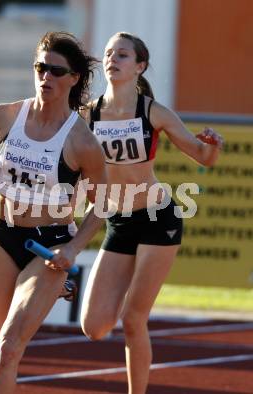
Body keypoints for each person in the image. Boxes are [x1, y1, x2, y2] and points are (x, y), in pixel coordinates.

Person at [0, 31, 107, 393]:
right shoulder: (3, 117)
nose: (46, 77)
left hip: (49, 248)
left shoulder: (82, 141)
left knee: (8, 349)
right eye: (40, 68)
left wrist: (73, 250)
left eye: (56, 71)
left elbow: (104, 203)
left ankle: (54, 284)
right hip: (3, 236)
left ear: (74, 78)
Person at [80, 32, 224, 394]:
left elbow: (203, 158)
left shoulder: (153, 111)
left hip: (158, 217)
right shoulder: (88, 114)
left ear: (140, 66)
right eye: (109, 53)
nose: (113, 59)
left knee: (133, 319)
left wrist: (212, 146)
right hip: (118, 220)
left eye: (123, 55)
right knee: (94, 326)